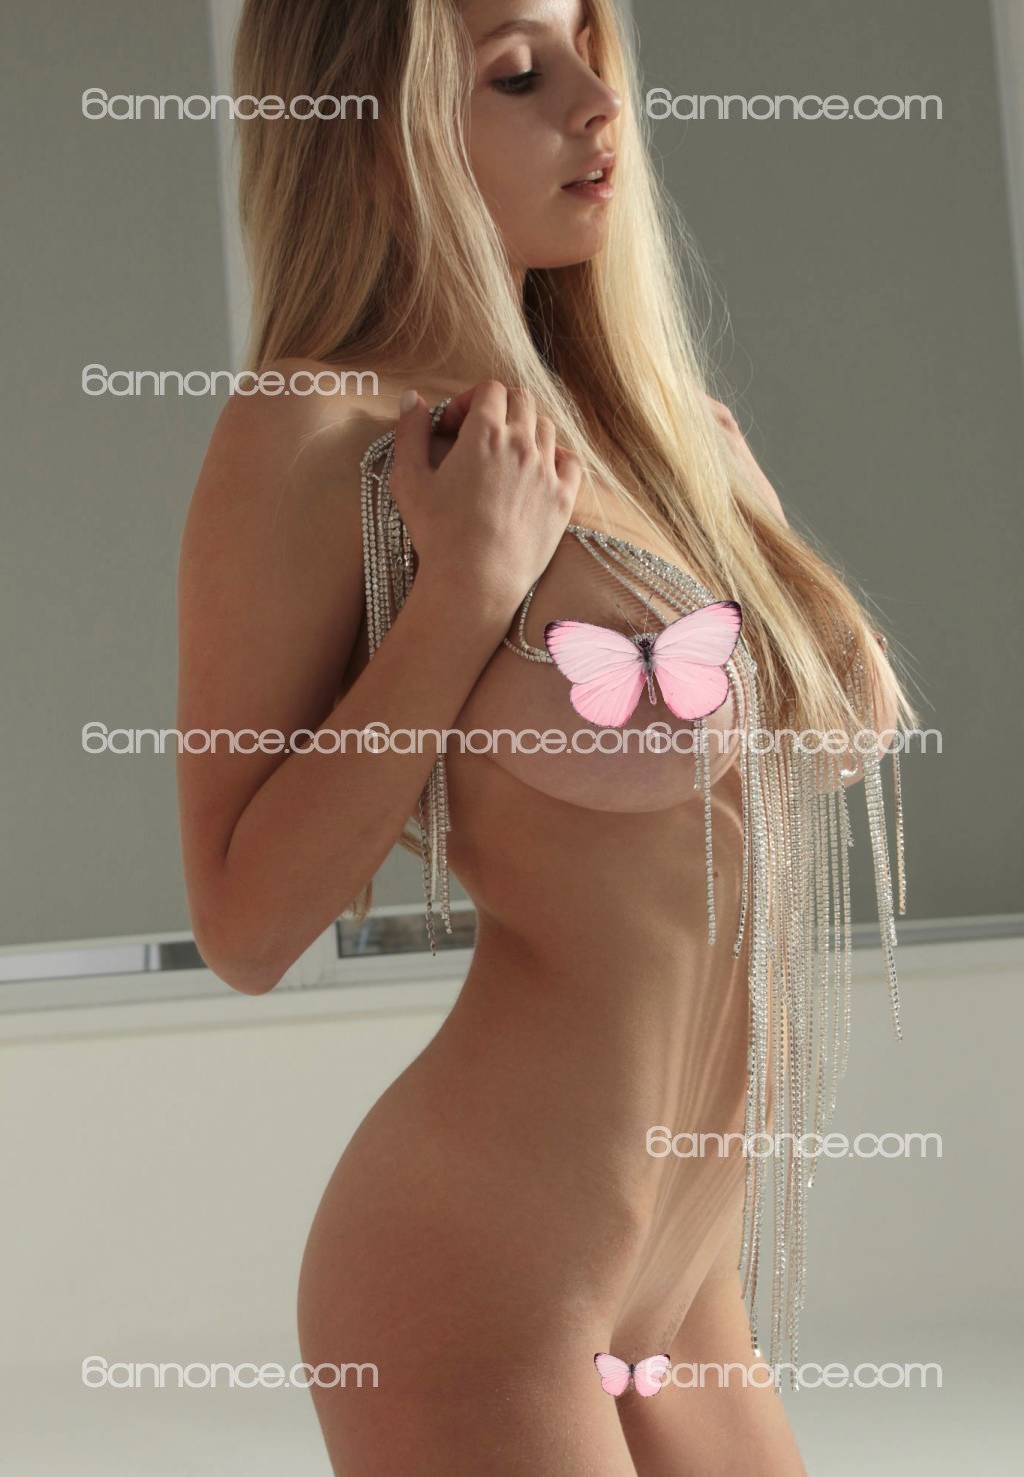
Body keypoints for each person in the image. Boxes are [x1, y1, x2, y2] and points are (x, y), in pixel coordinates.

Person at [176, 1, 916, 1471]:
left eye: (589, 49)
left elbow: (831, 736)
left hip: (684, 1288)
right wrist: (464, 596)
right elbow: (245, 926)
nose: (594, 103)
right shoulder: (321, 434)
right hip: (481, 1279)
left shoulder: (643, 433)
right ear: (372, 130)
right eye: (517, 72)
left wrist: (752, 533)